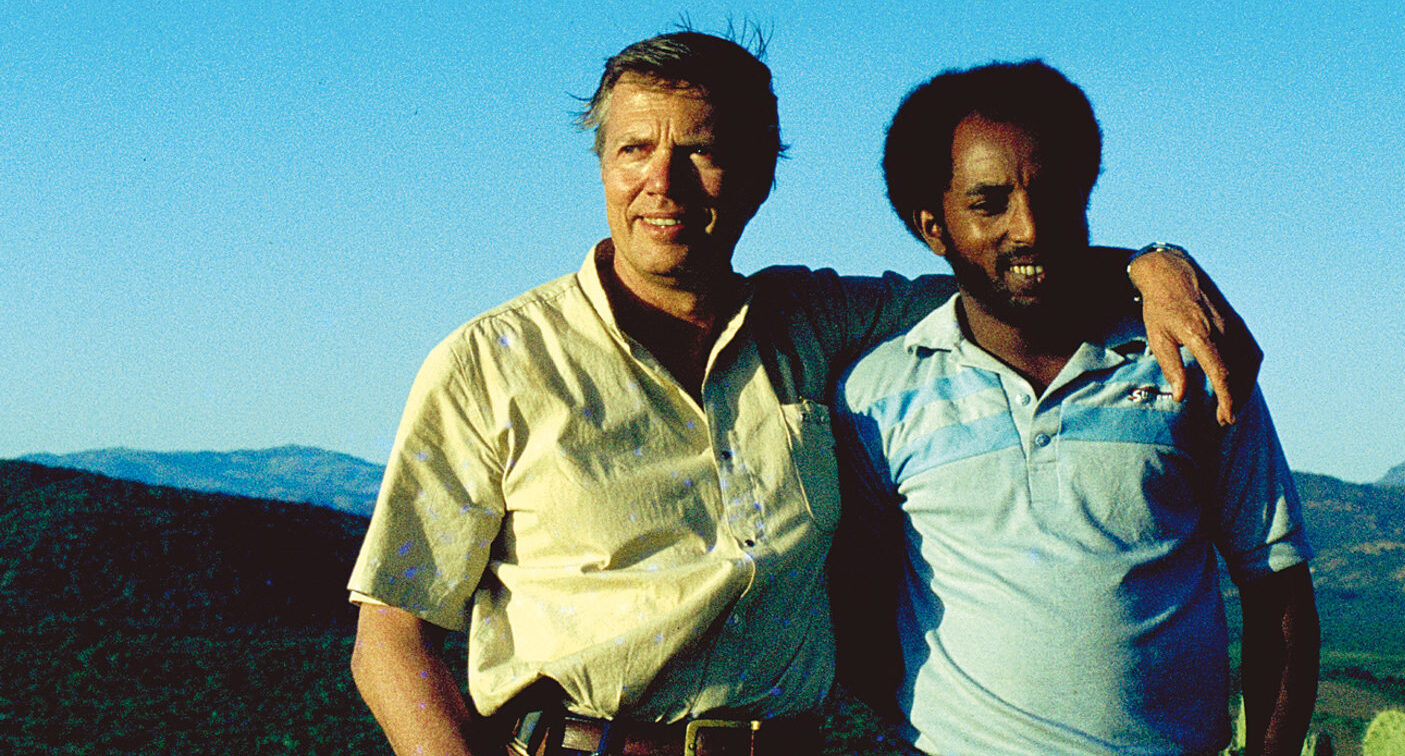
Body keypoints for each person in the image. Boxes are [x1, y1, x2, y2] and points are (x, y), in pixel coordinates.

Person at [347, 31, 1262, 756]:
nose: (660, 183)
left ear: (759, 175)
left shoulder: (817, 321)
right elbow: (390, 639)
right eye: (633, 149)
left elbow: (1001, 273)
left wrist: (1151, 265)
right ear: (601, 165)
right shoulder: (492, 364)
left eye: (700, 151)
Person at [833, 60, 1319, 756]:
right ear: (932, 226)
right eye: (989, 203)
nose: (1029, 227)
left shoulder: (1188, 362)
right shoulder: (878, 398)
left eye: (1054, 192)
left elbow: (1277, 593)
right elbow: (861, 611)